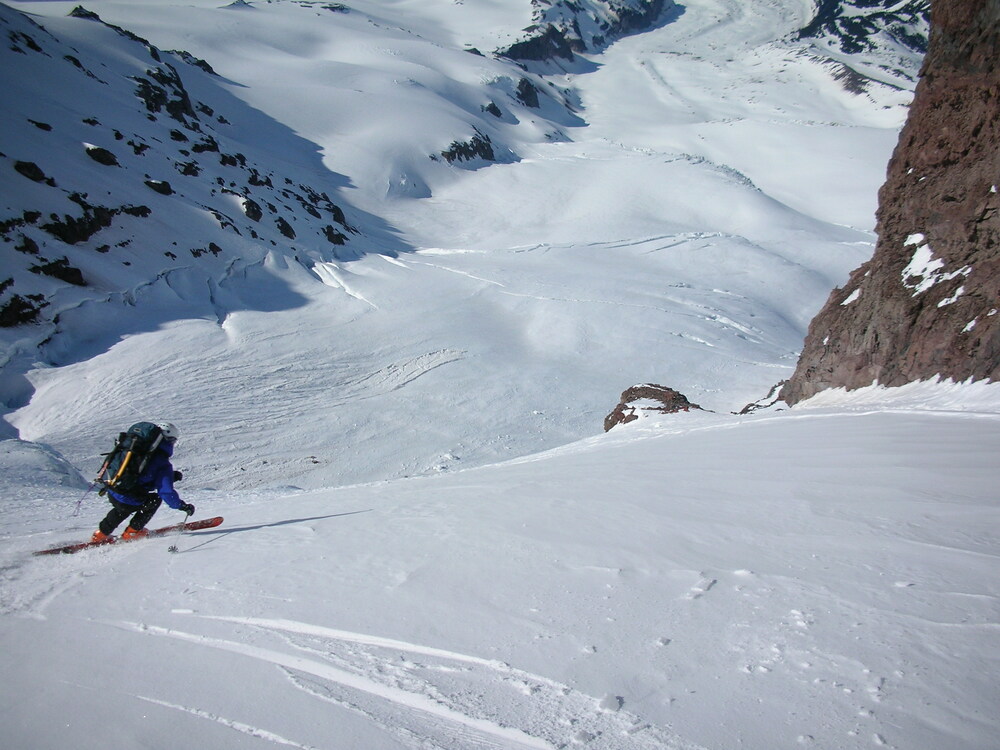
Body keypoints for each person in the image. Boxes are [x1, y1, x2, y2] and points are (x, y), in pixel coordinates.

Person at [90, 422, 195, 542]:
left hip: (113, 489)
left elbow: (141, 476)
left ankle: (100, 534)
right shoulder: (162, 462)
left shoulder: (133, 450)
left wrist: (171, 476)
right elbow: (166, 492)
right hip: (129, 497)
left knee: (123, 507)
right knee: (153, 500)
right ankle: (132, 533)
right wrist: (182, 506)